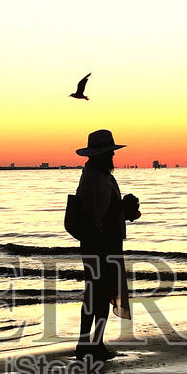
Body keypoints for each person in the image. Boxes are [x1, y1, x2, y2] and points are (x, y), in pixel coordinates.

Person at [73, 129, 138, 359]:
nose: (112, 158)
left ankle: (92, 343)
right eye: (109, 154)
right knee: (96, 295)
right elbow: (101, 216)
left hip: (102, 245)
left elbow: (104, 213)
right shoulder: (96, 179)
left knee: (98, 294)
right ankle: (88, 344)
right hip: (100, 246)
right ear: (101, 155)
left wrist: (124, 209)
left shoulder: (97, 176)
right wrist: (122, 207)